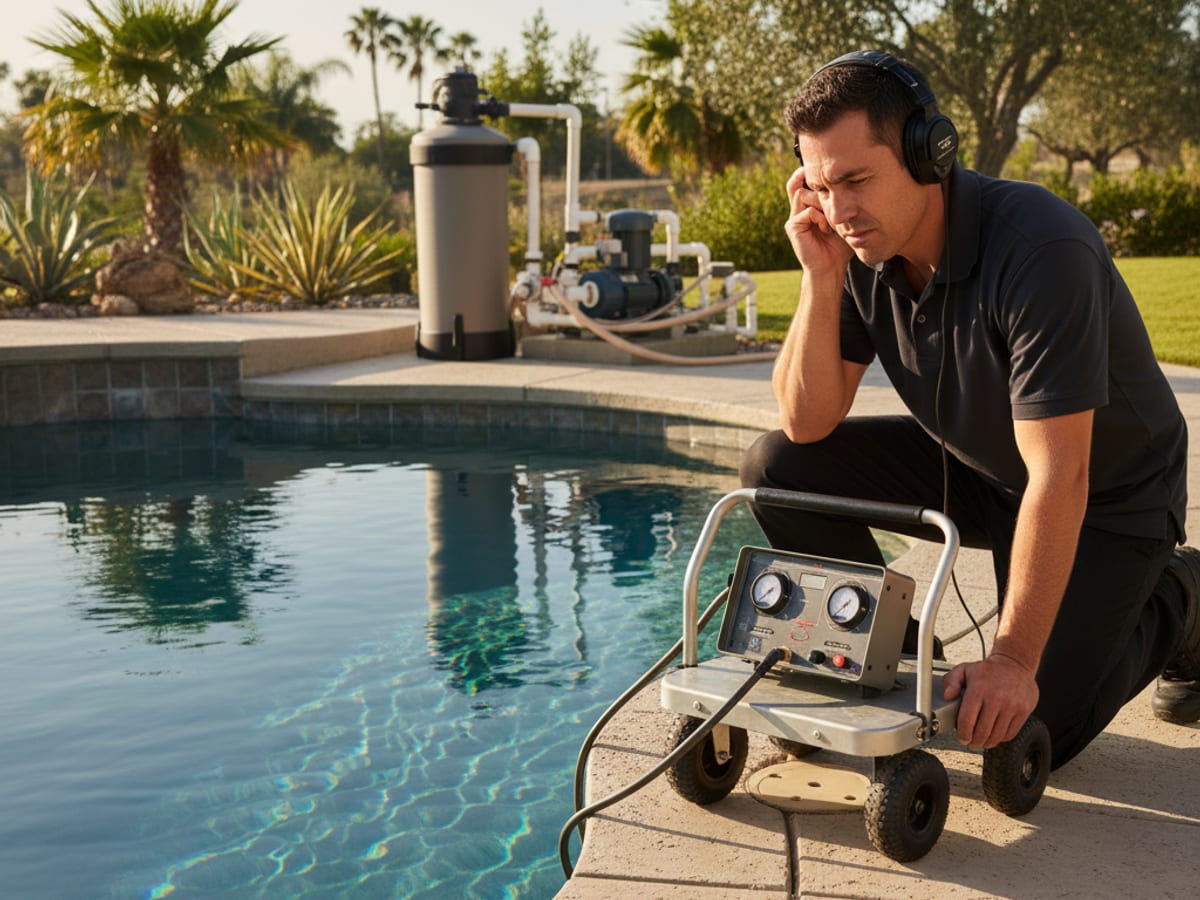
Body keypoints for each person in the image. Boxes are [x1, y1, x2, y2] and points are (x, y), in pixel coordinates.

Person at [740, 50, 1199, 770]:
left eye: (856, 179)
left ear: (931, 153)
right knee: (776, 465)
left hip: (1110, 499)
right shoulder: (860, 250)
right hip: (984, 473)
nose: (840, 210)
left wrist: (1014, 658)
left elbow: (1062, 475)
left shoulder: (1043, 248)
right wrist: (820, 276)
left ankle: (1183, 595)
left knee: (1027, 730)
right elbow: (806, 423)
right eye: (822, 187)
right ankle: (897, 650)